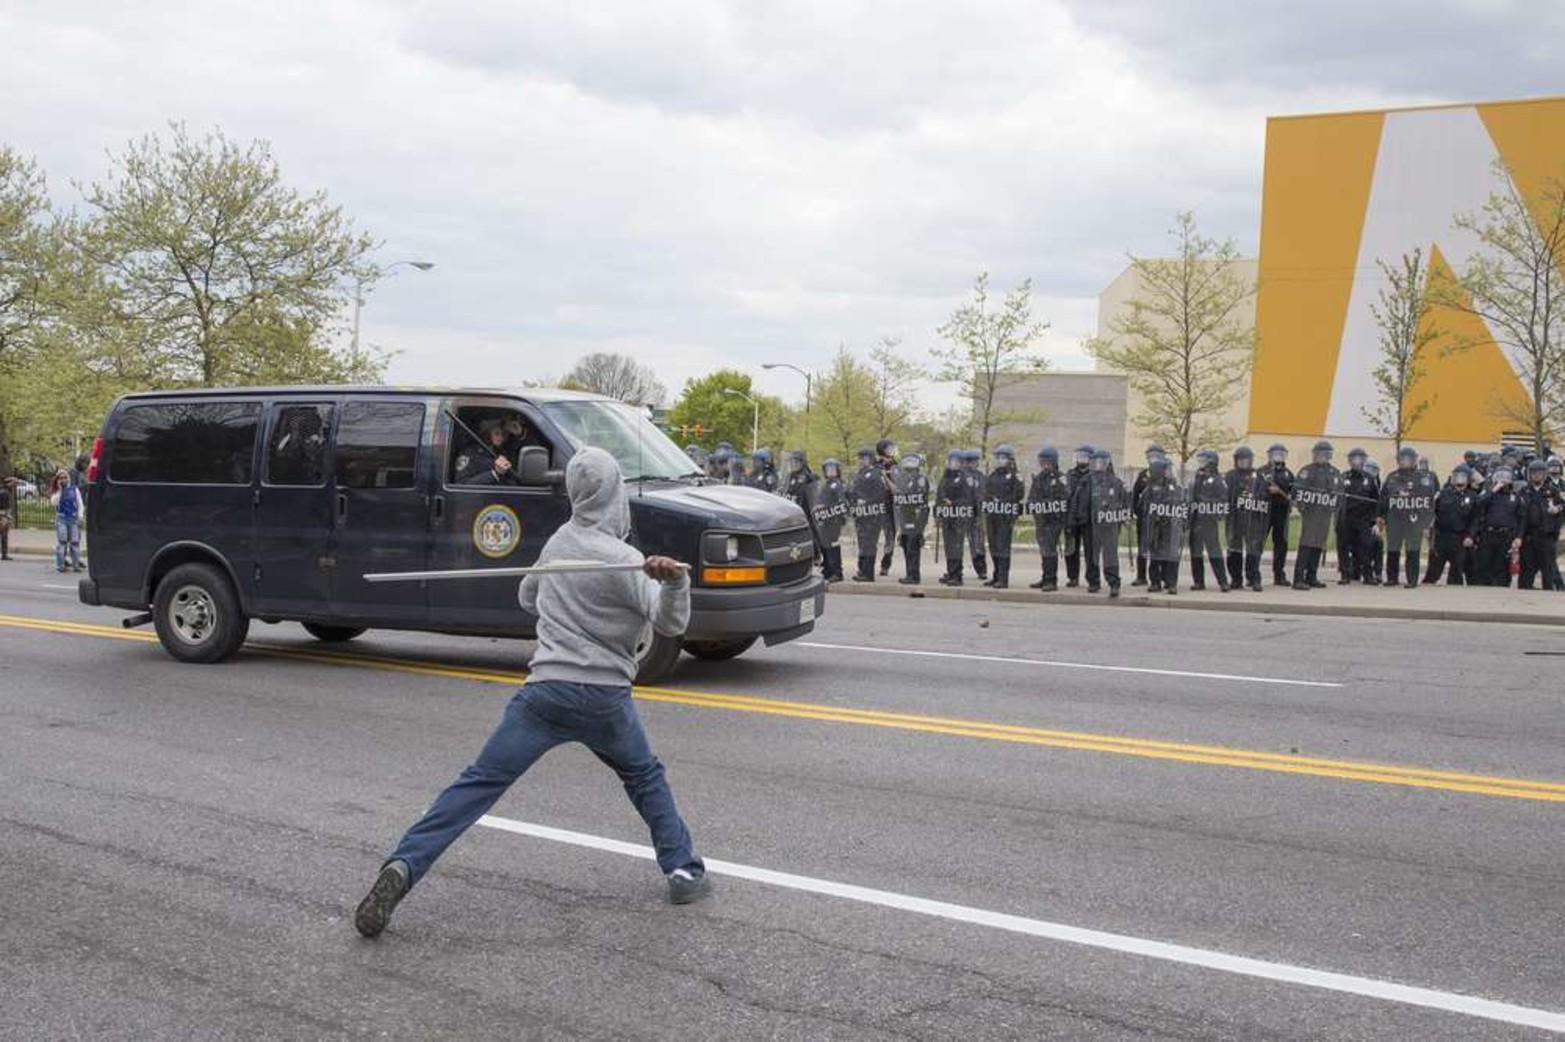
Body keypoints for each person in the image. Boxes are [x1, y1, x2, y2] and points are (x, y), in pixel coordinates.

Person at [354, 448, 708, 939]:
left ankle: (403, 866)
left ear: (578, 495)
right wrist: (674, 584)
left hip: (543, 694)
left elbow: (526, 597)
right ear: (613, 495)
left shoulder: (560, 543)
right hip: (604, 697)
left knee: (476, 784)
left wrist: (559, 589)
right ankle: (683, 871)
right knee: (644, 776)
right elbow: (671, 622)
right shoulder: (627, 561)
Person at [1377, 446, 1438, 588]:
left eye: (1408, 459)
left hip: (1413, 520)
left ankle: (1412, 579)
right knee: (1393, 549)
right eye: (1402, 459)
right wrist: (1380, 516)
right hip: (1395, 519)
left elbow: (1429, 502)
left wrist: (1427, 523)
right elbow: (1384, 498)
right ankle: (1392, 578)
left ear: (1414, 460)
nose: (1405, 462)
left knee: (1412, 550)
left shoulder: (1423, 478)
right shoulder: (1392, 477)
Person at [1291, 441, 1341, 591]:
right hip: (1311, 513)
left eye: (1325, 454)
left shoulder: (1334, 472)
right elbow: (1297, 491)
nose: (1321, 457)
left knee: (1318, 544)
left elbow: (1339, 493)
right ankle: (1298, 578)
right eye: (1318, 454)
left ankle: (1311, 576)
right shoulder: (1307, 471)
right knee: (1306, 543)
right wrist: (1302, 505)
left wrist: (1335, 503)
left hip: (1325, 514)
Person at [1424, 465, 1480, 586]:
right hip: (1441, 537)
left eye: (1462, 477)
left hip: (1460, 538)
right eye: (1456, 476)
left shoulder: (1473, 496)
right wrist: (1427, 528)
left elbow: (1475, 520)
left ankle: (1453, 597)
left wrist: (1470, 536)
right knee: (1433, 569)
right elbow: (1432, 512)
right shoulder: (1443, 493)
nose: (1459, 480)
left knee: (1456, 571)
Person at [1224, 447, 1268, 592]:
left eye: (1246, 460)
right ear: (1236, 460)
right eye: (1240, 460)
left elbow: (1264, 496)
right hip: (1235, 519)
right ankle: (1236, 579)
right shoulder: (1230, 476)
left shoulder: (1258, 476)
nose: (1243, 462)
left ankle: (1254, 579)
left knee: (1253, 551)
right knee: (1234, 551)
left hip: (1253, 519)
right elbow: (1224, 494)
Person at [982, 444, 1025, 589]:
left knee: (1002, 546)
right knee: (993, 546)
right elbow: (986, 492)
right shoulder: (993, 475)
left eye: (1003, 458)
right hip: (992, 515)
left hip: (1005, 516)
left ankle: (1003, 578)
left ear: (1010, 459)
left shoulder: (1015, 476)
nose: (999, 460)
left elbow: (1019, 494)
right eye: (998, 457)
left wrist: (1003, 501)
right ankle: (996, 576)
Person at [1140, 456, 1185, 594]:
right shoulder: (1149, 490)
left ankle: (1171, 583)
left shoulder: (1175, 488)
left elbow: (1180, 505)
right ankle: (1155, 582)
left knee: (1171, 557)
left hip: (1170, 527)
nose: (1169, 472)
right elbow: (1143, 508)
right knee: (1154, 556)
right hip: (1155, 528)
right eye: (1166, 470)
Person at [1026, 447, 1069, 592]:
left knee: (1050, 550)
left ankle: (1051, 581)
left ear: (1054, 462)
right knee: (1044, 550)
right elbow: (1031, 498)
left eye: (1047, 462)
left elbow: (1064, 499)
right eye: (1042, 462)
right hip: (1041, 521)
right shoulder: (1038, 478)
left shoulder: (1060, 478)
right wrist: (1034, 506)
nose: (1045, 465)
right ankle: (1045, 577)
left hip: (1053, 521)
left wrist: (1048, 506)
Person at [1186, 450, 1230, 592]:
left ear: (1212, 462)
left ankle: (1223, 581)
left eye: (1203, 461)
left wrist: (1209, 504)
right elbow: (1191, 497)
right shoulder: (1197, 477)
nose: (1201, 464)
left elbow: (1223, 499)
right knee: (1196, 552)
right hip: (1196, 520)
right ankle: (1198, 581)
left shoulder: (1218, 480)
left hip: (1209, 521)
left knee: (1214, 551)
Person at [1474, 468, 1525, 586]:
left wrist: (1518, 537)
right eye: (1500, 477)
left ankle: (1500, 588)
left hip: (1506, 535)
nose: (1503, 481)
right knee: (1484, 563)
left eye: (1506, 478)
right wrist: (1493, 490)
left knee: (1501, 564)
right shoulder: (1489, 494)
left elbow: (1522, 518)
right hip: (1488, 534)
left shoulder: (1515, 497)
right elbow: (1478, 503)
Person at [1088, 449, 1128, 597]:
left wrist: (1123, 516)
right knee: (1092, 555)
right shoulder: (1088, 481)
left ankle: (1113, 583)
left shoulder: (1116, 482)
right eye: (1096, 462)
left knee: (1110, 555)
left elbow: (1125, 502)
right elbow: (1080, 503)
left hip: (1110, 525)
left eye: (1102, 462)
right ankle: (1094, 582)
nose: (1099, 466)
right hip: (1092, 524)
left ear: (1108, 463)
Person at [1518, 458, 1563, 590]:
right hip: (1528, 537)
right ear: (1529, 474)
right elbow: (1519, 514)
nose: (1537, 475)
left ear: (1545, 474)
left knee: (1548, 572)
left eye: (1540, 472)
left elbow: (1563, 505)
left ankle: (1546, 601)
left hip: (1546, 537)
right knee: (1526, 572)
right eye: (1534, 472)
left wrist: (1557, 509)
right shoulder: (1524, 491)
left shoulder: (1553, 491)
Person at [1336, 448, 1378, 584]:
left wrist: (1374, 520)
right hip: (1346, 518)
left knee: (1366, 546)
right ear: (1350, 460)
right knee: (1343, 547)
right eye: (1355, 458)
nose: (1357, 461)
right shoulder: (1343, 477)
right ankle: (1345, 574)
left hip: (1364, 519)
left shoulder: (1370, 479)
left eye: (1360, 458)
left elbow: (1375, 500)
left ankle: (1368, 575)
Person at [936, 449, 975, 586]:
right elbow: (939, 494)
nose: (952, 463)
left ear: (961, 463)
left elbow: (968, 497)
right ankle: (951, 572)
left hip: (959, 515)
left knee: (956, 545)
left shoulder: (965, 477)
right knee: (948, 545)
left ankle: (957, 575)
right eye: (950, 460)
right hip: (947, 515)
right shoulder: (946, 476)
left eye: (955, 461)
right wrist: (938, 512)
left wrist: (953, 503)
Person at [850, 447, 888, 582]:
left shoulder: (876, 474)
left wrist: (865, 502)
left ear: (870, 459)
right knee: (862, 543)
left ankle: (868, 573)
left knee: (869, 543)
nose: (861, 461)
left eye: (864, 458)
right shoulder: (860, 473)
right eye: (859, 458)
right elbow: (854, 491)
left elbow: (879, 494)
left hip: (872, 514)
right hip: (861, 514)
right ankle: (862, 570)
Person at [891, 453, 930, 585]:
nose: (909, 464)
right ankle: (910, 574)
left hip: (916, 516)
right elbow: (898, 493)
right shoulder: (901, 479)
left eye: (912, 461)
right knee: (906, 544)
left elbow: (921, 496)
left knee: (913, 545)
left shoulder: (921, 478)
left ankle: (914, 576)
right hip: (905, 516)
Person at [811, 458, 849, 583]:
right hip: (824, 520)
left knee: (833, 547)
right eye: (828, 469)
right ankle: (827, 570)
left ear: (838, 470)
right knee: (825, 546)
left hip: (833, 520)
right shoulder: (826, 483)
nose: (830, 471)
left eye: (833, 469)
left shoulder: (838, 484)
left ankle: (837, 573)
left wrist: (825, 508)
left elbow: (842, 503)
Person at [1063, 445, 1096, 590]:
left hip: (1089, 520)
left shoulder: (1095, 476)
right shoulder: (1070, 475)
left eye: (1084, 456)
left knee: (1091, 552)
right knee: (1071, 550)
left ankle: (1093, 580)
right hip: (1072, 517)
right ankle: (1073, 577)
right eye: (1079, 455)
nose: (1081, 459)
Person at [1262, 444, 1295, 585]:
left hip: (1281, 512)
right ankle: (1252, 575)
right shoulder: (1261, 472)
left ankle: (1279, 574)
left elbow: (1293, 497)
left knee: (1281, 543)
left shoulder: (1289, 474)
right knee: (1258, 542)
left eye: (1281, 453)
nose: (1277, 456)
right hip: (1264, 512)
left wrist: (1279, 492)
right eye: (1275, 453)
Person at [1129, 445, 1162, 587]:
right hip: (1143, 518)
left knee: (1159, 548)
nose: (1152, 458)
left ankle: (1160, 577)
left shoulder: (1165, 474)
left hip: (1160, 519)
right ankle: (1141, 576)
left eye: (1155, 455)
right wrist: (1133, 511)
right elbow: (1135, 495)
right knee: (1143, 547)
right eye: (1150, 455)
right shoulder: (1143, 475)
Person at [456, 420, 520, 486]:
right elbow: (462, 484)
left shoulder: (501, 452)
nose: (501, 438)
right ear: (487, 433)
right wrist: (494, 474)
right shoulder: (470, 453)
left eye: (503, 434)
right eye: (497, 434)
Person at [961, 449, 989, 581]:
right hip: (963, 512)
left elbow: (985, 493)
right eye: (971, 462)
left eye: (975, 462)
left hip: (978, 512)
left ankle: (981, 569)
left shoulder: (981, 476)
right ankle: (955, 569)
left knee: (978, 542)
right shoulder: (960, 475)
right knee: (957, 542)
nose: (974, 464)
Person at [50, 470, 84, 573]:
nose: (63, 479)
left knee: (74, 543)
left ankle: (76, 566)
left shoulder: (74, 489)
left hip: (73, 519)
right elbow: (53, 503)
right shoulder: (57, 491)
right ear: (58, 480)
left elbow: (80, 504)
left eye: (65, 477)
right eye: (61, 478)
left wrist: (80, 516)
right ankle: (60, 566)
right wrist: (60, 490)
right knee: (62, 542)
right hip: (62, 519)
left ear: (68, 478)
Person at [875, 439, 900, 575]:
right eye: (890, 448)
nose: (893, 450)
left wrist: (886, 478)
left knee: (891, 534)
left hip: (891, 505)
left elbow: (897, 488)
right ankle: (866, 564)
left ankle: (885, 564)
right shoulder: (875, 465)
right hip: (877, 504)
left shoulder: (896, 466)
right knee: (871, 535)